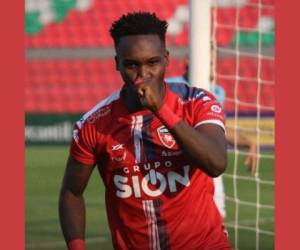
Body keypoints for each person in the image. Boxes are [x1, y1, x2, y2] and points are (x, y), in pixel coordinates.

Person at [59, 12, 231, 250]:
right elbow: (71, 193)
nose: (143, 76)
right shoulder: (94, 124)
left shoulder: (196, 102)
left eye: (153, 63)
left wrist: (161, 110)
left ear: (166, 59)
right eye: (131, 65)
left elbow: (216, 163)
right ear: (117, 63)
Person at [166, 58, 258, 218]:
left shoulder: (217, 91)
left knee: (217, 217)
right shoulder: (170, 85)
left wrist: (250, 143)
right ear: (188, 61)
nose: (210, 67)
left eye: (211, 61)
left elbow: (216, 130)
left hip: (206, 158)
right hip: (175, 162)